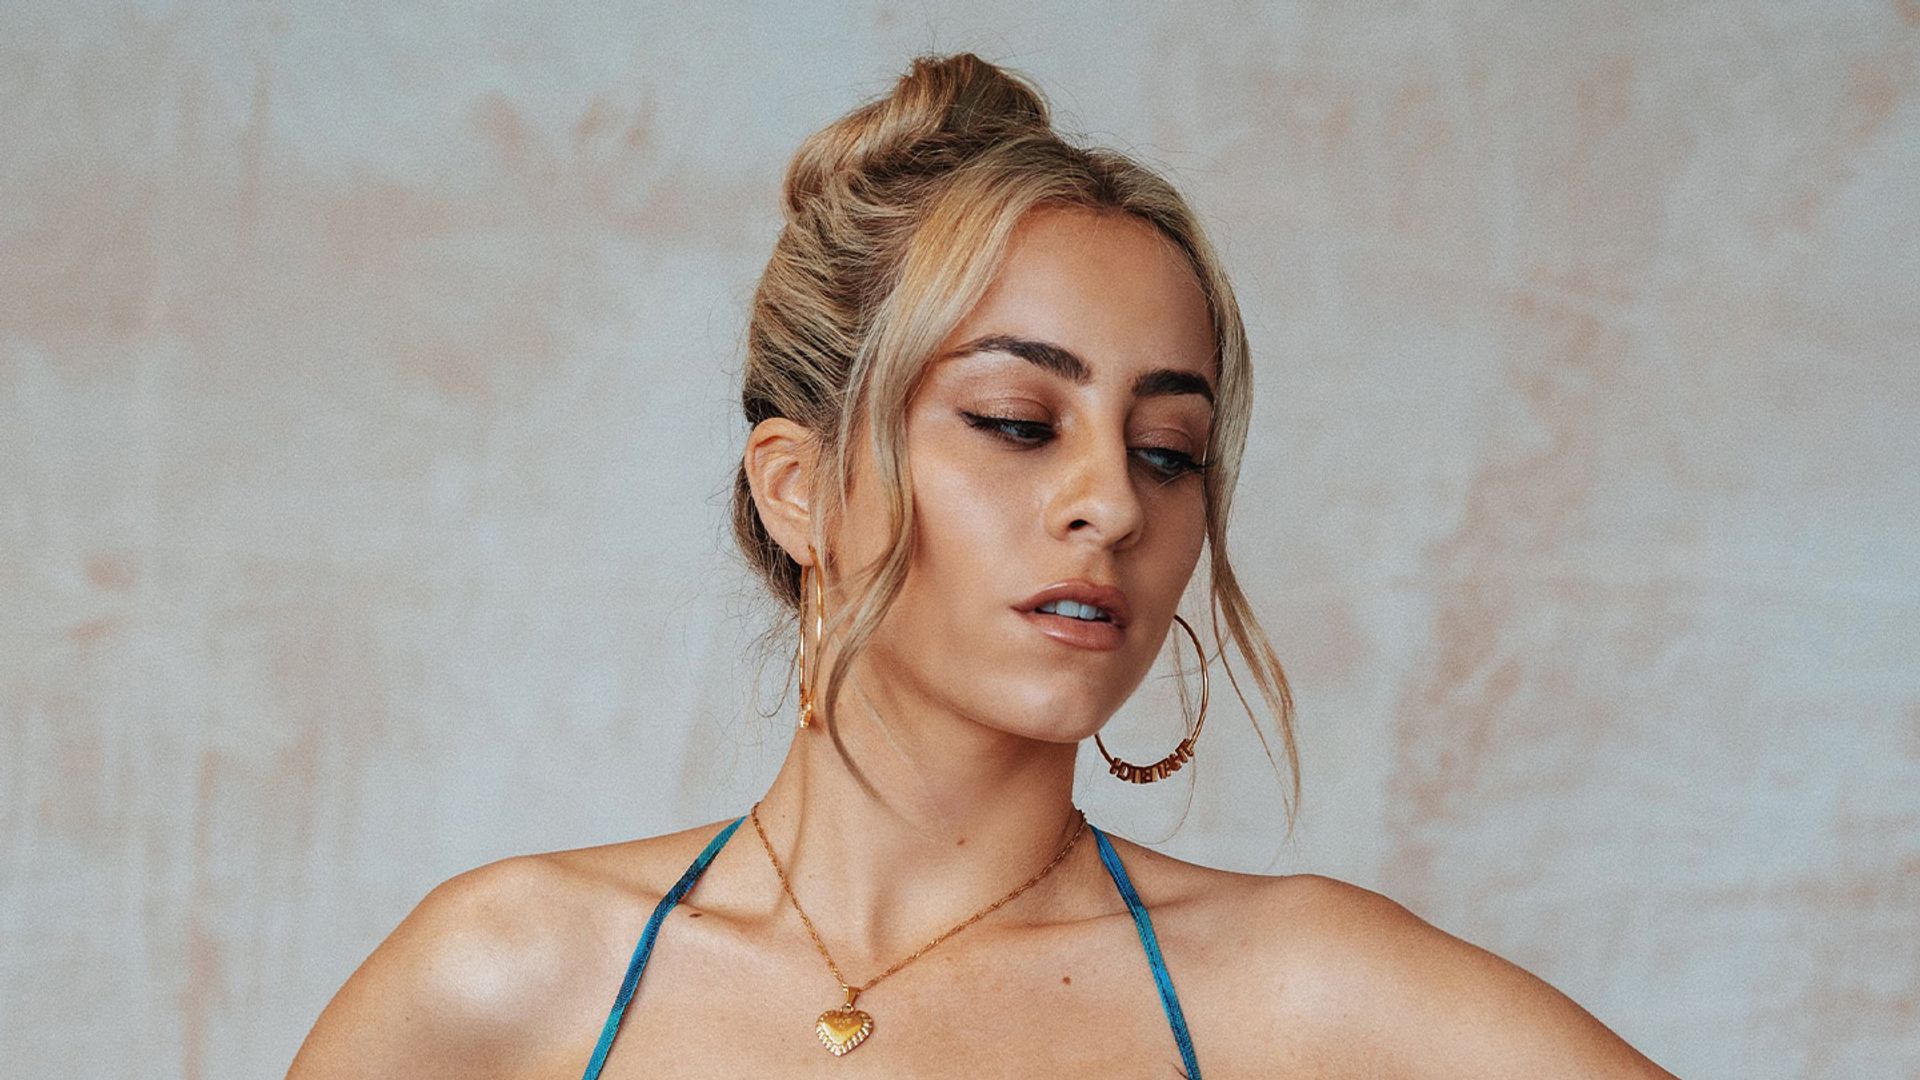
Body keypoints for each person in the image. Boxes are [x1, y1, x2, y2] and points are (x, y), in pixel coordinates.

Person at [287, 53, 1677, 1079]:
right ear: (799, 488)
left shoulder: (1300, 998)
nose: (1111, 504)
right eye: (1019, 423)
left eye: (1169, 451)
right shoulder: (510, 983)